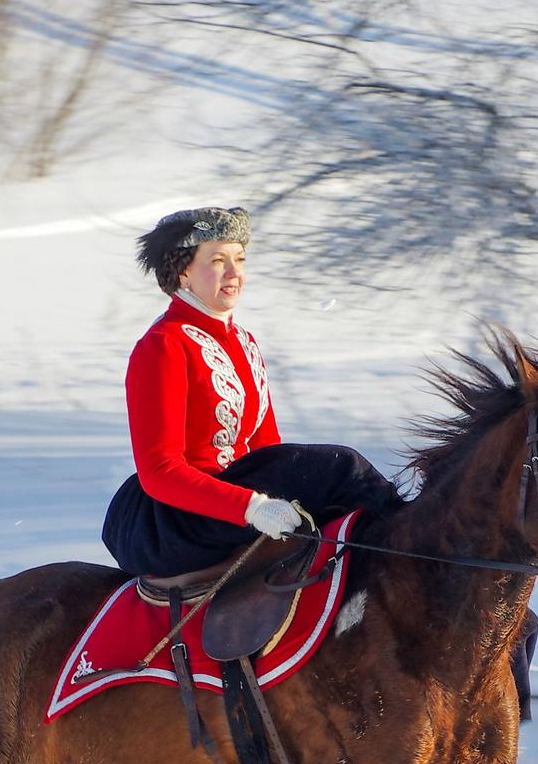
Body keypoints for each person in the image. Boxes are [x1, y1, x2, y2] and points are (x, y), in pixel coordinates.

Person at [101, 206, 404, 577]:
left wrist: (282, 492)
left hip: (242, 493)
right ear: (183, 273)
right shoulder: (163, 346)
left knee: (330, 494)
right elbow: (160, 472)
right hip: (182, 517)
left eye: (239, 259)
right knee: (341, 465)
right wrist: (252, 507)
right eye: (217, 261)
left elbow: (270, 453)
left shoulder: (244, 342)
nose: (233, 273)